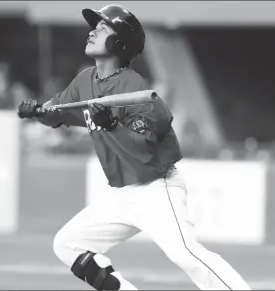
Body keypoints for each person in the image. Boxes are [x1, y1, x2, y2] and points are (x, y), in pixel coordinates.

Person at [17, 4, 251, 291]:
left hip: (156, 189)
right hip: (122, 194)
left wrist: (112, 125)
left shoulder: (136, 90)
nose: (93, 31)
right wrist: (38, 111)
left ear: (119, 42)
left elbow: (143, 151)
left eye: (102, 28)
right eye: (95, 27)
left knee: (186, 254)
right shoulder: (85, 81)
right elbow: (60, 111)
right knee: (67, 243)